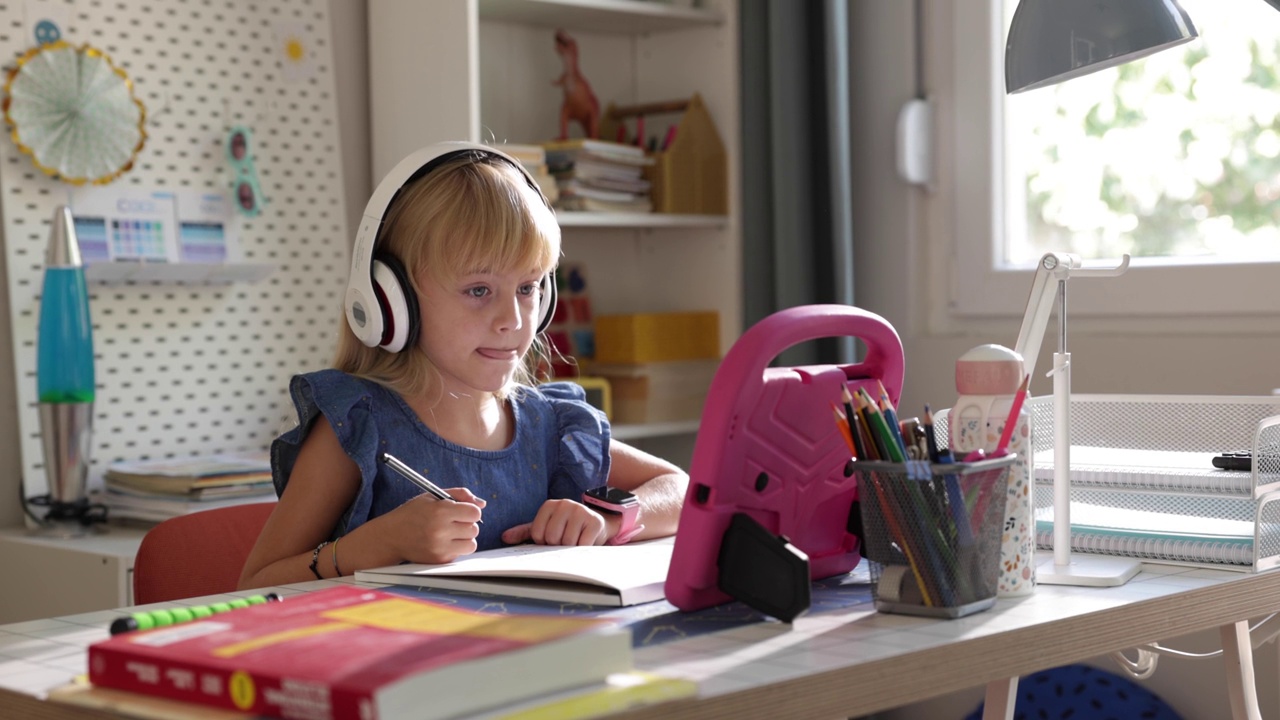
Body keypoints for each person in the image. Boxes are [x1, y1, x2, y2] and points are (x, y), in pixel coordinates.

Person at [239, 142, 689, 589]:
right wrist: (378, 544)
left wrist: (609, 521)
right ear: (392, 301)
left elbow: (681, 488)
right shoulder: (359, 427)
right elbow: (256, 584)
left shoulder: (550, 425)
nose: (512, 320)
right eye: (478, 290)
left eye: (528, 288)